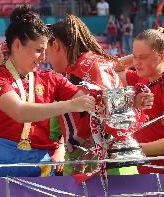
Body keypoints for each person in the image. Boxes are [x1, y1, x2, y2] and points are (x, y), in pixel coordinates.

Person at [0, 5, 95, 178]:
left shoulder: (51, 78)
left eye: (45, 51)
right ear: (18, 44)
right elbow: (20, 111)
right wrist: (71, 105)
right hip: (1, 165)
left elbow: (87, 99)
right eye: (38, 50)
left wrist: (128, 99)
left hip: (40, 166)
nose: (43, 57)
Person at [46, 14, 153, 175]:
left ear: (55, 45)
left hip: (104, 166)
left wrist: (87, 154)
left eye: (46, 51)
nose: (46, 58)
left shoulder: (90, 68)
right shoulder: (85, 67)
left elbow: (111, 114)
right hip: (95, 163)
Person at [117, 27, 164, 174]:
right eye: (134, 57)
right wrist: (139, 54)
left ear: (161, 57)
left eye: (143, 57)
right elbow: (112, 70)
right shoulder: (140, 78)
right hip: (146, 173)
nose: (136, 63)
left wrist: (132, 150)